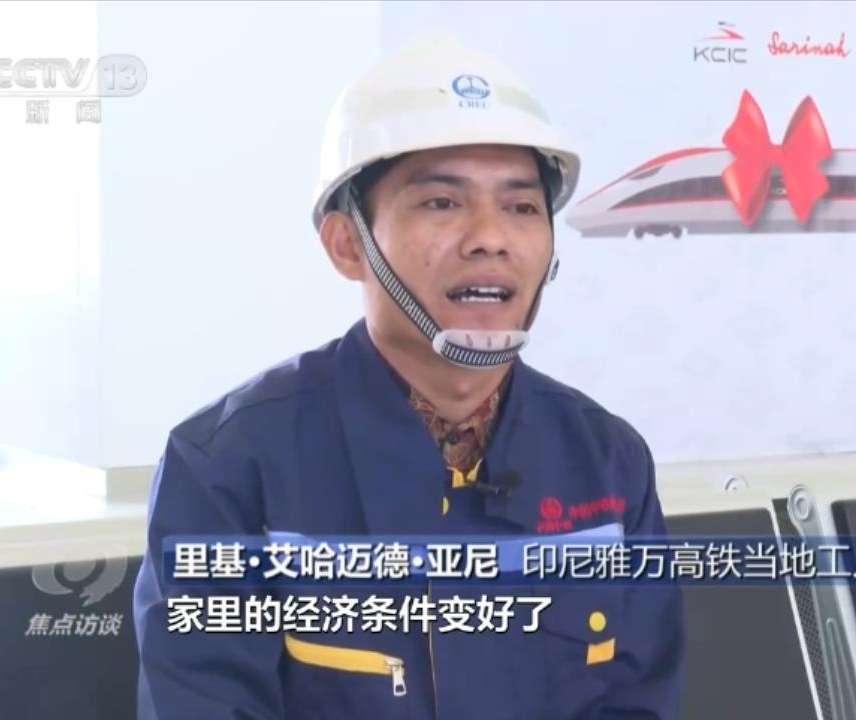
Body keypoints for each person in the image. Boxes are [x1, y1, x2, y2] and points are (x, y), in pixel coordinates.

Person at [133, 32, 685, 720]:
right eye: (441, 203)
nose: (490, 238)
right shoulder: (229, 469)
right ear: (347, 244)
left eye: (520, 207)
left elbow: (640, 700)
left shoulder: (606, 462)